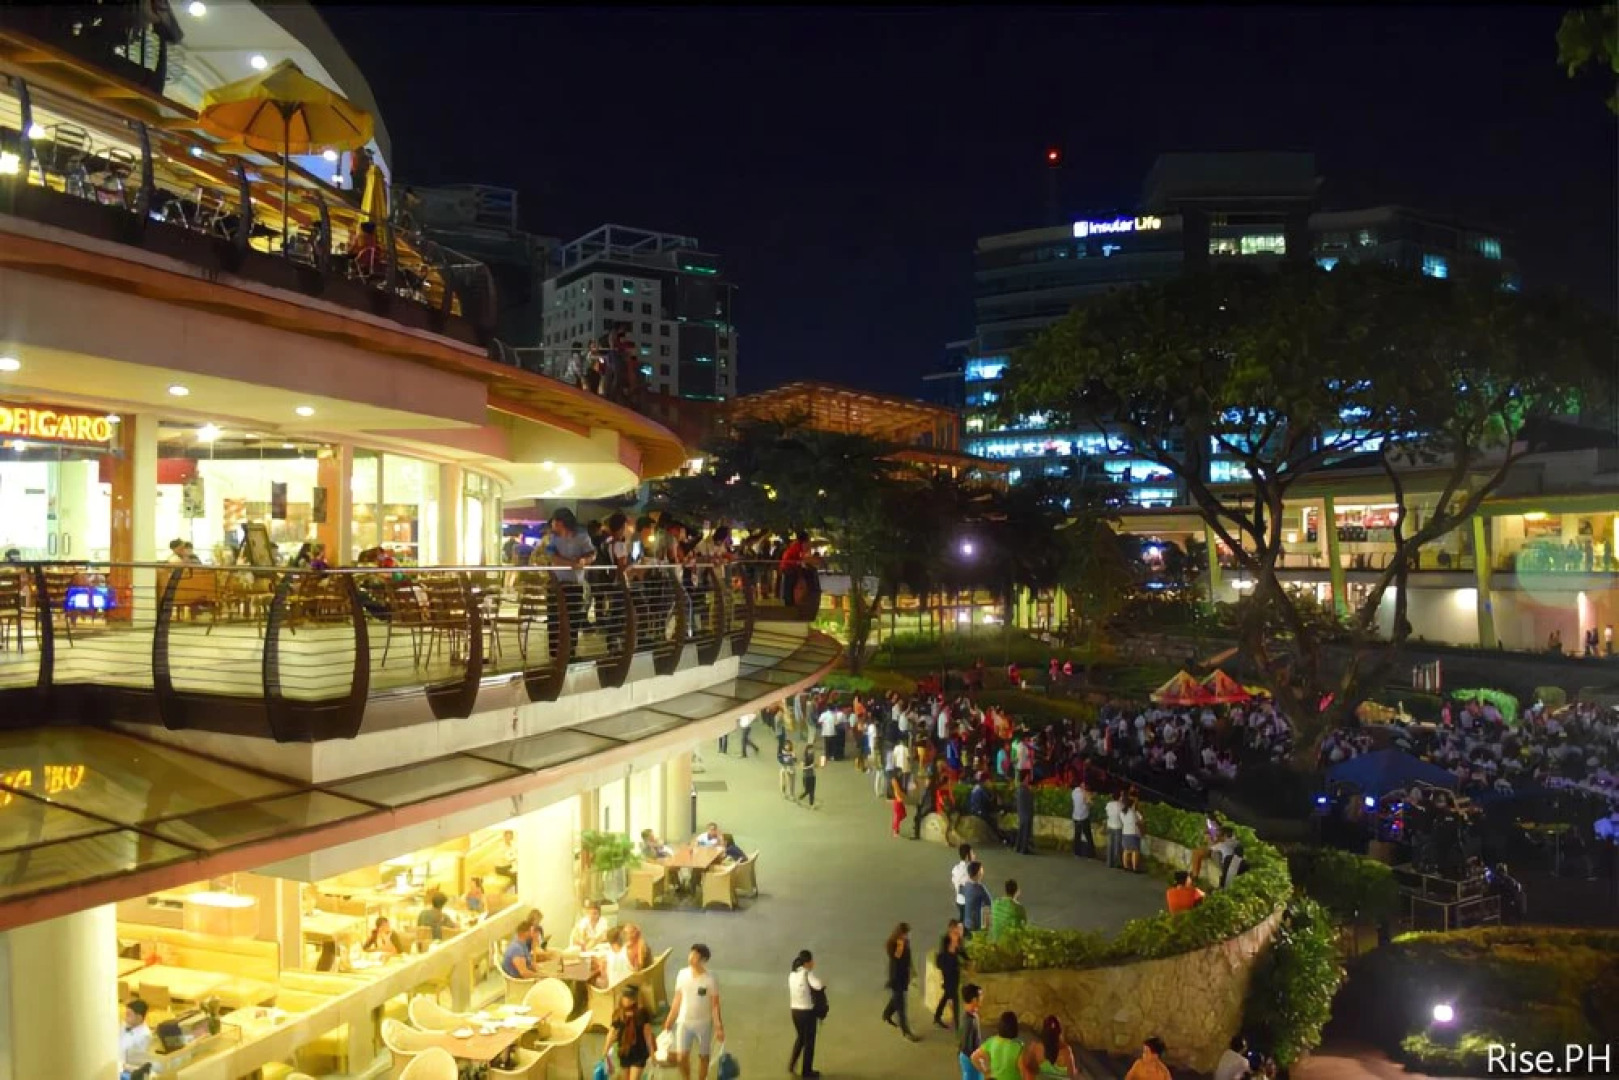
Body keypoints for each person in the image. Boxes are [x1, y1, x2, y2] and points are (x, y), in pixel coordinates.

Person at [663, 944, 724, 1080]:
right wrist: (670, 1019)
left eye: (695, 956)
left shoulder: (710, 979)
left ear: (703, 960)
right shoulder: (682, 974)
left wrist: (718, 1026)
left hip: (703, 1024)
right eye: (691, 954)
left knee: (704, 1056)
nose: (691, 958)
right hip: (684, 1022)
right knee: (681, 1056)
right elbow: (677, 999)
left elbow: (715, 1005)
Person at [603, 986, 656, 1080]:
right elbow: (611, 1032)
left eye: (631, 998)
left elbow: (647, 1034)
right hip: (624, 1052)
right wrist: (606, 1050)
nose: (628, 1000)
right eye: (626, 997)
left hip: (639, 1052)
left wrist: (652, 1053)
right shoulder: (618, 1013)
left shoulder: (641, 1013)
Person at [787, 949, 825, 1078]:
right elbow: (818, 986)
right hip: (807, 1013)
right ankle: (807, 1071)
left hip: (794, 1012)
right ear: (808, 962)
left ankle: (792, 1064)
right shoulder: (807, 974)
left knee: (800, 1038)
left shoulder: (792, 975)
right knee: (809, 1043)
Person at [881, 922, 920, 1040]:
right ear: (900, 934)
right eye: (905, 934)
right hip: (896, 978)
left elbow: (908, 958)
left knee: (897, 999)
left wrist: (912, 971)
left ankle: (886, 1014)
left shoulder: (906, 942)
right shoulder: (892, 944)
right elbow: (896, 959)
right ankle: (906, 1032)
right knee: (902, 1007)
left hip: (904, 977)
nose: (907, 936)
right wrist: (900, 947)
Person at [970, 1011, 1024, 1080]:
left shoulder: (991, 1041)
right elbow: (1024, 1071)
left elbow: (974, 1057)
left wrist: (986, 1072)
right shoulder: (1019, 1047)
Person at [1023, 1015, 1080, 1079]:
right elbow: (1072, 1075)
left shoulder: (1036, 1048)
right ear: (1059, 1032)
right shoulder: (1066, 1051)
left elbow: (1029, 1068)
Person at [933, 919, 966, 1029]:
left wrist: (969, 959)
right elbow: (945, 956)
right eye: (954, 929)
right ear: (950, 929)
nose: (956, 931)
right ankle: (957, 1025)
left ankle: (937, 1016)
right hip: (948, 971)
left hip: (954, 970)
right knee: (954, 997)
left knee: (947, 994)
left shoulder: (958, 938)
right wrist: (953, 943)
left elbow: (961, 952)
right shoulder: (945, 939)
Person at [958, 984, 985, 1080]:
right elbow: (968, 1049)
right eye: (980, 995)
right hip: (970, 1060)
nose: (983, 997)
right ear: (974, 1000)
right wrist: (980, 1064)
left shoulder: (971, 1015)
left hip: (969, 1058)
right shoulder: (969, 1021)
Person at [988, 879, 1027, 943]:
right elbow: (1024, 923)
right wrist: (1016, 898)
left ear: (1006, 891)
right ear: (1017, 891)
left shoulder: (995, 903)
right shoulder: (1019, 908)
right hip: (1008, 944)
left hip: (994, 940)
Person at [120, 998, 152, 1074]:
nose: (125, 1018)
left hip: (127, 1072)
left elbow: (140, 1065)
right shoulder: (124, 1025)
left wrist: (122, 1066)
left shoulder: (145, 1036)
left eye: (129, 1015)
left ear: (139, 1018)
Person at [962, 861, 993, 939]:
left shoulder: (966, 885)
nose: (983, 871)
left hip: (967, 921)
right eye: (981, 869)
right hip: (976, 924)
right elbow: (989, 904)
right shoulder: (980, 889)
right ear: (978, 873)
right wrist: (987, 927)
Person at [1071, 777, 1095, 858]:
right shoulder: (1084, 793)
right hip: (1084, 817)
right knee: (1088, 835)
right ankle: (1091, 853)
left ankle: (1077, 853)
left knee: (1077, 836)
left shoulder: (1074, 792)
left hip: (1076, 816)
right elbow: (1091, 803)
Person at [952, 843, 976, 923]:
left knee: (963, 918)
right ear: (967, 856)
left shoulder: (956, 868)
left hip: (958, 900)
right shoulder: (968, 870)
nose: (974, 855)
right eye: (972, 853)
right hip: (966, 902)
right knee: (965, 922)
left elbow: (954, 882)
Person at [1120, 795, 1143, 872]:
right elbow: (1140, 822)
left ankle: (1125, 866)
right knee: (1135, 851)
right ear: (1132, 804)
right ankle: (1135, 868)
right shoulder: (1133, 813)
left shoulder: (1122, 812)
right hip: (1133, 833)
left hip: (1125, 833)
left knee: (1126, 850)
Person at [1014, 777, 1035, 855]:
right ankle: (1023, 849)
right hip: (1026, 814)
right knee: (1025, 832)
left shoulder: (1020, 790)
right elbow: (1029, 803)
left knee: (1022, 832)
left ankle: (1019, 847)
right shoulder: (1025, 791)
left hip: (1022, 814)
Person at [1104, 791, 1125, 869]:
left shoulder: (1109, 804)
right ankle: (1117, 863)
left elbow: (1107, 814)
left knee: (1110, 845)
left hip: (1110, 825)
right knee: (1117, 846)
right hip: (1118, 827)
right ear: (1119, 797)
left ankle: (1109, 862)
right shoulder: (1121, 805)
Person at [890, 770, 909, 838]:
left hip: (898, 800)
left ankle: (895, 826)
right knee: (898, 815)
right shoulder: (894, 781)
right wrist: (901, 798)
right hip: (897, 801)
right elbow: (897, 791)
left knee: (903, 814)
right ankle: (895, 830)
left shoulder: (898, 780)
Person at [800, 743, 818, 808]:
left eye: (812, 750)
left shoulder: (812, 756)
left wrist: (815, 766)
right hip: (806, 776)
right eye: (810, 750)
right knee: (807, 791)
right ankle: (800, 797)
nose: (812, 751)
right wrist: (810, 766)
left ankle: (811, 804)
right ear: (807, 750)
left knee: (812, 791)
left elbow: (813, 766)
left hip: (812, 775)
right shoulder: (804, 758)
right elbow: (802, 768)